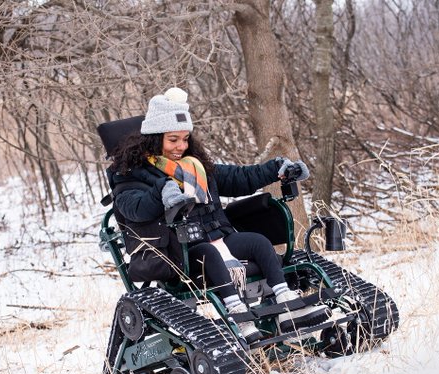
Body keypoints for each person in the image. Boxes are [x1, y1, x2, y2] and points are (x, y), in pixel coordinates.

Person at [107, 87, 329, 343]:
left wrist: (277, 169)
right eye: (173, 140)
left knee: (257, 241)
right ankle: (238, 315)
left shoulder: (196, 167)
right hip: (182, 253)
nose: (181, 146)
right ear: (155, 139)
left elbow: (240, 178)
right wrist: (161, 192)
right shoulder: (132, 175)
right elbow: (133, 208)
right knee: (210, 254)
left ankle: (288, 304)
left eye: (185, 138)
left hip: (219, 238)